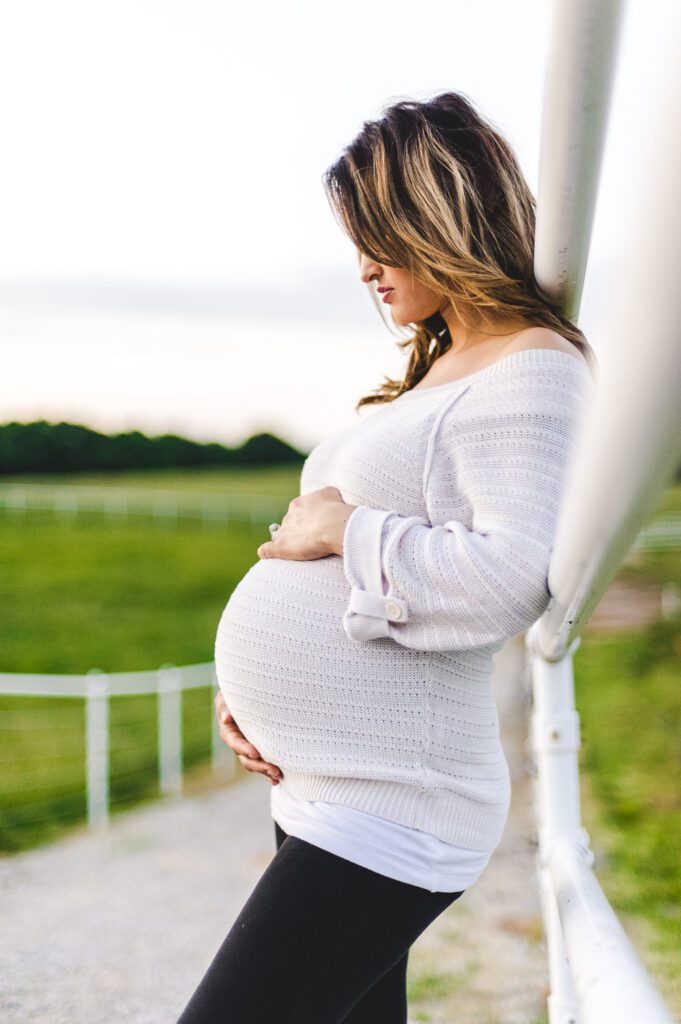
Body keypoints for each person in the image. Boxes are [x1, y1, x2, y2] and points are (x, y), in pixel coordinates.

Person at [176, 90, 598, 1024]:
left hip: (394, 807)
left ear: (445, 219)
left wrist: (340, 530)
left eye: (383, 236)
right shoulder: (443, 366)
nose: (365, 267)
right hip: (325, 789)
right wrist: (246, 696)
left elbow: (506, 578)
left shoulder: (531, 365)